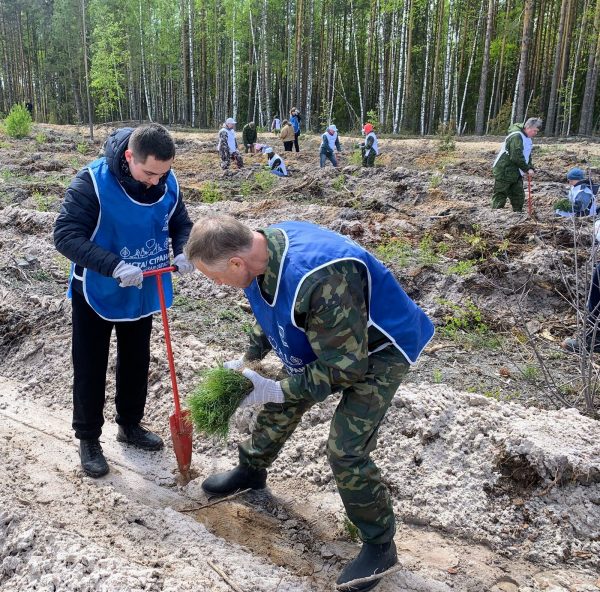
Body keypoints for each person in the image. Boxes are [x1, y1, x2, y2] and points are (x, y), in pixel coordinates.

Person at [185, 215, 434, 592]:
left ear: (236, 262)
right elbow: (271, 310)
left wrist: (276, 389)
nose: (218, 285)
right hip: (332, 338)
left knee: (346, 448)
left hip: (380, 348)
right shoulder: (257, 255)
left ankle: (380, 544)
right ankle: (251, 469)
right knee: (283, 396)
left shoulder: (318, 277)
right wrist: (249, 360)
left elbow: (347, 369)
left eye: (216, 277)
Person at [53, 124, 194, 479]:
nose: (155, 182)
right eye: (149, 173)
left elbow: (180, 222)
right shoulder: (92, 183)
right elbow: (65, 235)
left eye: (163, 173)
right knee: (91, 363)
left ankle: (129, 425)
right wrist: (113, 264)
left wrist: (184, 250)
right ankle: (88, 438)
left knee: (136, 359)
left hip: (144, 285)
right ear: (129, 157)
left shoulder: (166, 180)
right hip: (98, 289)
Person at [492, 117, 543, 212]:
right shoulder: (516, 136)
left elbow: (527, 155)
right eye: (534, 131)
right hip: (504, 170)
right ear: (528, 127)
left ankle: (518, 213)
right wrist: (527, 169)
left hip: (516, 172)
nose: (535, 133)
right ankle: (496, 215)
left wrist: (530, 166)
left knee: (518, 195)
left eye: (537, 131)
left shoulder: (528, 139)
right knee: (500, 193)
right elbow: (516, 156)